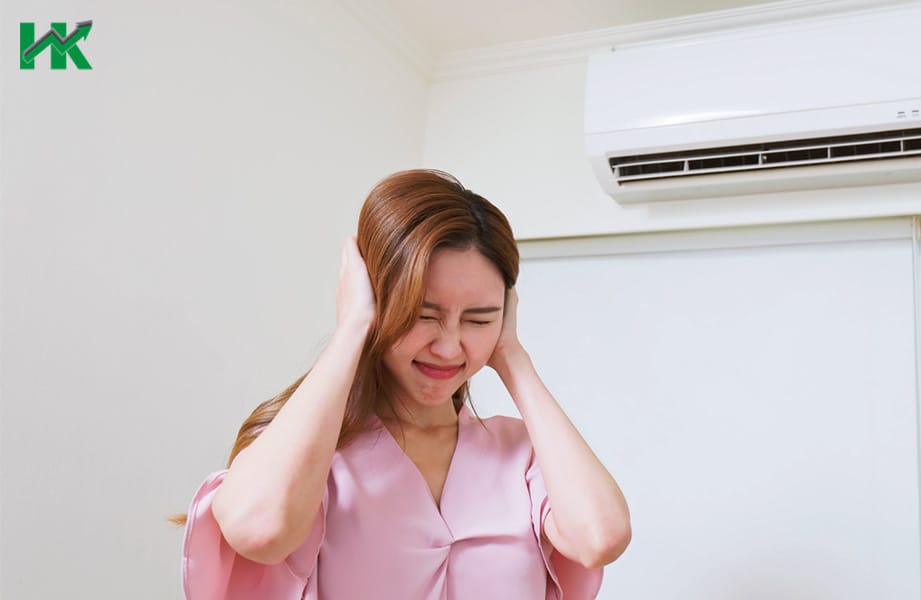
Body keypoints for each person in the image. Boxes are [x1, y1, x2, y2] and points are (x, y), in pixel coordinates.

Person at [180, 170, 631, 599]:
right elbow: (259, 529)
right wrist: (353, 329)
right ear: (377, 299)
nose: (449, 347)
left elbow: (601, 537)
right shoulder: (312, 453)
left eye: (479, 319)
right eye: (423, 314)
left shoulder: (520, 453)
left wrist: (513, 358)